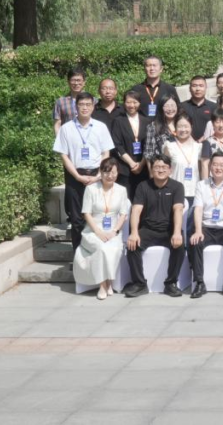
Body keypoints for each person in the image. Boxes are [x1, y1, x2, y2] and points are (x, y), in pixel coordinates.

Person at [54, 92, 114, 251]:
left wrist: (99, 176)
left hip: (96, 175)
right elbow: (64, 155)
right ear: (76, 107)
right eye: (81, 104)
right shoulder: (66, 128)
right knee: (77, 219)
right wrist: (77, 176)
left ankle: (96, 254)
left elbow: (106, 153)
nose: (85, 108)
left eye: (88, 104)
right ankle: (78, 256)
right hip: (75, 177)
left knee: (97, 216)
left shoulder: (101, 127)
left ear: (93, 107)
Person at [124, 155, 186, 298]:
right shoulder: (143, 186)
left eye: (164, 167)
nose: (160, 170)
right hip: (148, 229)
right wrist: (134, 232)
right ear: (151, 169)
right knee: (132, 246)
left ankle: (171, 283)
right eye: (157, 167)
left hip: (169, 230)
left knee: (180, 246)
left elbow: (178, 210)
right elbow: (136, 210)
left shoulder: (177, 187)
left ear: (170, 170)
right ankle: (139, 284)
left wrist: (177, 232)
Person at [188, 152, 223, 299]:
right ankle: (199, 283)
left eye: (222, 165)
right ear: (210, 166)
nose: (218, 168)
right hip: (206, 227)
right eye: (215, 164)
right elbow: (198, 209)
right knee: (195, 242)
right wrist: (198, 231)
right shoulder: (202, 185)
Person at [74, 158, 128, 300]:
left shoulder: (122, 190)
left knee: (113, 248)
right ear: (100, 172)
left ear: (118, 173)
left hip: (113, 231)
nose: (110, 176)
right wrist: (98, 232)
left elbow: (123, 214)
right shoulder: (91, 189)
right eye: (106, 172)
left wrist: (114, 231)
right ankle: (104, 285)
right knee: (102, 248)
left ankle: (108, 281)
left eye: (113, 172)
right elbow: (86, 213)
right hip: (92, 231)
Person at [110, 90, 150, 197]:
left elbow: (149, 145)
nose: (132, 105)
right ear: (124, 103)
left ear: (140, 103)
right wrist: (131, 163)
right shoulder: (118, 121)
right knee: (125, 200)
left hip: (144, 168)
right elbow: (117, 145)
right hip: (124, 169)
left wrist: (141, 164)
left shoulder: (147, 121)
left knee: (142, 200)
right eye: (128, 102)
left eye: (135, 102)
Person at [164, 114, 200, 213]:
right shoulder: (169, 146)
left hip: (194, 192)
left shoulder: (198, 147)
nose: (183, 129)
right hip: (174, 192)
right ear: (175, 128)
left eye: (186, 126)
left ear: (191, 127)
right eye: (180, 126)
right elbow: (165, 169)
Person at [199, 109, 223, 181]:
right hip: (213, 181)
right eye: (217, 122)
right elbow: (204, 165)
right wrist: (205, 184)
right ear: (213, 124)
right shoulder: (208, 142)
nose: (221, 125)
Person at [143, 96, 180, 164]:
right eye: (166, 106)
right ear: (161, 108)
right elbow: (148, 154)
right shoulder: (153, 126)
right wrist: (151, 171)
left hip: (180, 166)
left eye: (172, 105)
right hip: (162, 167)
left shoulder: (182, 124)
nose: (170, 109)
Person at [182, 76, 216, 141]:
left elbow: (216, 127)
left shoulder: (214, 107)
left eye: (201, 86)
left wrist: (204, 138)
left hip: (208, 143)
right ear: (189, 88)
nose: (198, 89)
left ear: (206, 88)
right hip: (186, 143)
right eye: (194, 86)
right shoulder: (182, 106)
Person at [53, 68, 86, 134]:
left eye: (79, 80)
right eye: (73, 80)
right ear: (68, 82)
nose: (76, 83)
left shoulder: (93, 101)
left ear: (84, 82)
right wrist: (59, 138)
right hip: (67, 137)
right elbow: (57, 124)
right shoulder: (60, 102)